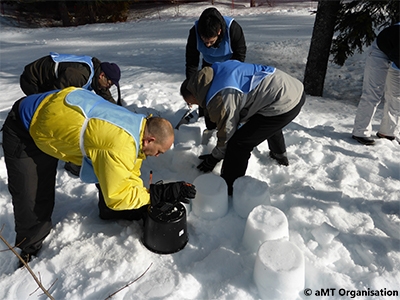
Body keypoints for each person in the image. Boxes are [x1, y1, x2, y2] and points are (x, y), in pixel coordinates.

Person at [2, 87, 196, 268]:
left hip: (52, 123)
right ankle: (29, 249)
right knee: (32, 196)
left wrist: (145, 195)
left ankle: (111, 213)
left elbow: (128, 169)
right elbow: (117, 196)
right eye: (160, 151)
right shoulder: (118, 144)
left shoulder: (136, 125)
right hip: (24, 128)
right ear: (150, 140)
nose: (158, 156)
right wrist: (156, 194)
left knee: (110, 171)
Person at [180, 60, 305, 195]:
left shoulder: (220, 98)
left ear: (195, 95)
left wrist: (214, 158)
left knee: (239, 143)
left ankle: (229, 186)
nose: (194, 106)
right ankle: (279, 155)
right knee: (264, 123)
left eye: (192, 103)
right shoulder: (214, 71)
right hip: (290, 87)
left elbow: (228, 134)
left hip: (284, 102)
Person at [20, 52, 123, 175]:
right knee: (43, 112)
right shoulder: (78, 75)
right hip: (33, 80)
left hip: (53, 82)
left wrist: (121, 116)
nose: (108, 87)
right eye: (109, 84)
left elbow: (105, 96)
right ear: (102, 76)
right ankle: (25, 137)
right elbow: (55, 98)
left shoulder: (97, 75)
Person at [185, 7, 247, 130]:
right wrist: (192, 86)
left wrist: (227, 77)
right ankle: (206, 121)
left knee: (227, 93)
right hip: (209, 65)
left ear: (219, 32)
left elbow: (240, 54)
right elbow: (192, 61)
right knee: (204, 91)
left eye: (210, 42)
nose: (207, 45)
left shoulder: (233, 29)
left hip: (230, 65)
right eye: (204, 42)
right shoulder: (194, 32)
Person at [351, 23, 400, 145]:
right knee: (373, 92)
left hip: (395, 52)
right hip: (380, 51)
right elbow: (397, 62)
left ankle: (387, 132)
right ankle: (360, 131)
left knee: (396, 96)